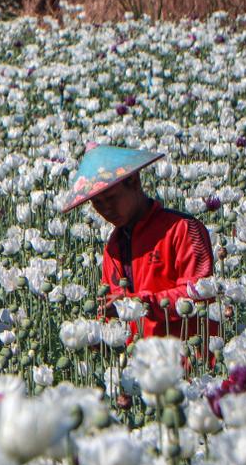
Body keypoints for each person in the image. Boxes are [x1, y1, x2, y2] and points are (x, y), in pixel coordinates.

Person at [60, 145, 218, 348]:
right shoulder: (113, 248)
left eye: (110, 197)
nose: (106, 209)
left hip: (188, 360)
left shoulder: (183, 229)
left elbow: (200, 293)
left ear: (133, 181)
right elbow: (116, 312)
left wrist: (140, 304)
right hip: (140, 365)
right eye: (97, 203)